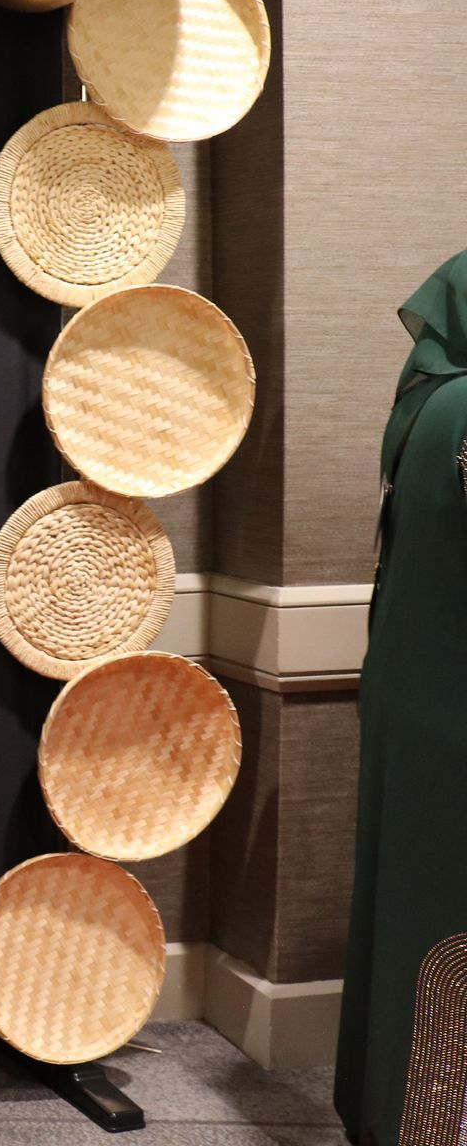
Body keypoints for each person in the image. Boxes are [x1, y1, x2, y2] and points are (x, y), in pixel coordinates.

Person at [336, 250, 467, 1146]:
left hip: (411, 699)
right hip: (457, 711)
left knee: (408, 914)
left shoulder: (427, 405)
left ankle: (400, 1113)